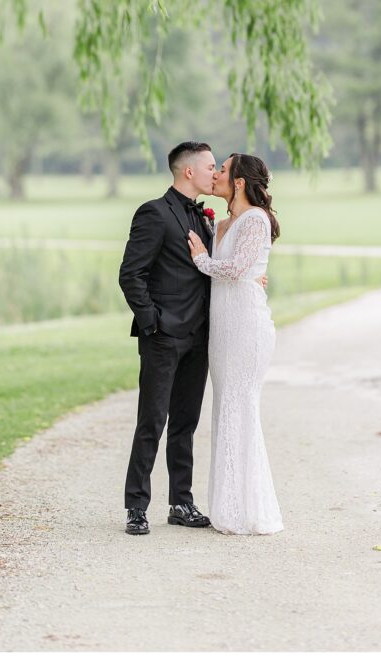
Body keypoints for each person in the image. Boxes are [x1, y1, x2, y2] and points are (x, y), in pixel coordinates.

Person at [119, 141, 217, 535]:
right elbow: (131, 274)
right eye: (211, 166)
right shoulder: (154, 213)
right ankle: (136, 507)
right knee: (152, 421)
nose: (216, 172)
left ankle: (181, 502)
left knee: (185, 424)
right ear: (188, 171)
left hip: (200, 336)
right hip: (164, 336)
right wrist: (152, 321)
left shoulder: (207, 218)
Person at [188, 153, 284, 535]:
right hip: (222, 330)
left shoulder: (256, 220)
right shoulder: (223, 223)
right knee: (225, 408)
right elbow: (241, 272)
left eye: (223, 170)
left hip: (246, 328)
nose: (215, 175)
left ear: (240, 182)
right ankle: (229, 505)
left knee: (240, 407)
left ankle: (249, 508)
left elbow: (238, 269)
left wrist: (200, 259)